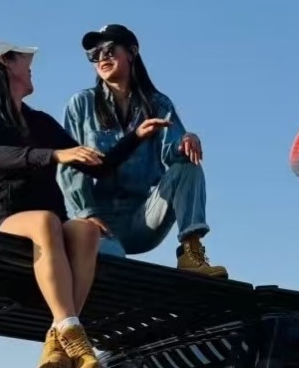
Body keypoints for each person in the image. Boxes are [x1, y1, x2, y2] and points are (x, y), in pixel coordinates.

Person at [0, 35, 170, 368]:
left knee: (85, 229)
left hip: (53, 223)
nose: (30, 66)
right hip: (7, 219)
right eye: (24, 60)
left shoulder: (39, 121)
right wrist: (54, 155)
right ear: (5, 64)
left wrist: (135, 136)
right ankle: (74, 334)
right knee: (45, 220)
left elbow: (96, 165)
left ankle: (59, 338)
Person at [58, 24, 227, 278]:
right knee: (114, 267)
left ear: (132, 52)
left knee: (188, 166)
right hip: (96, 223)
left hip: (142, 218)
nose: (102, 58)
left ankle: (191, 252)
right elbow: (68, 166)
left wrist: (187, 139)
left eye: (110, 50)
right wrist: (87, 215)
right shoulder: (80, 104)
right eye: (94, 54)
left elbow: (174, 151)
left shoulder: (158, 104)